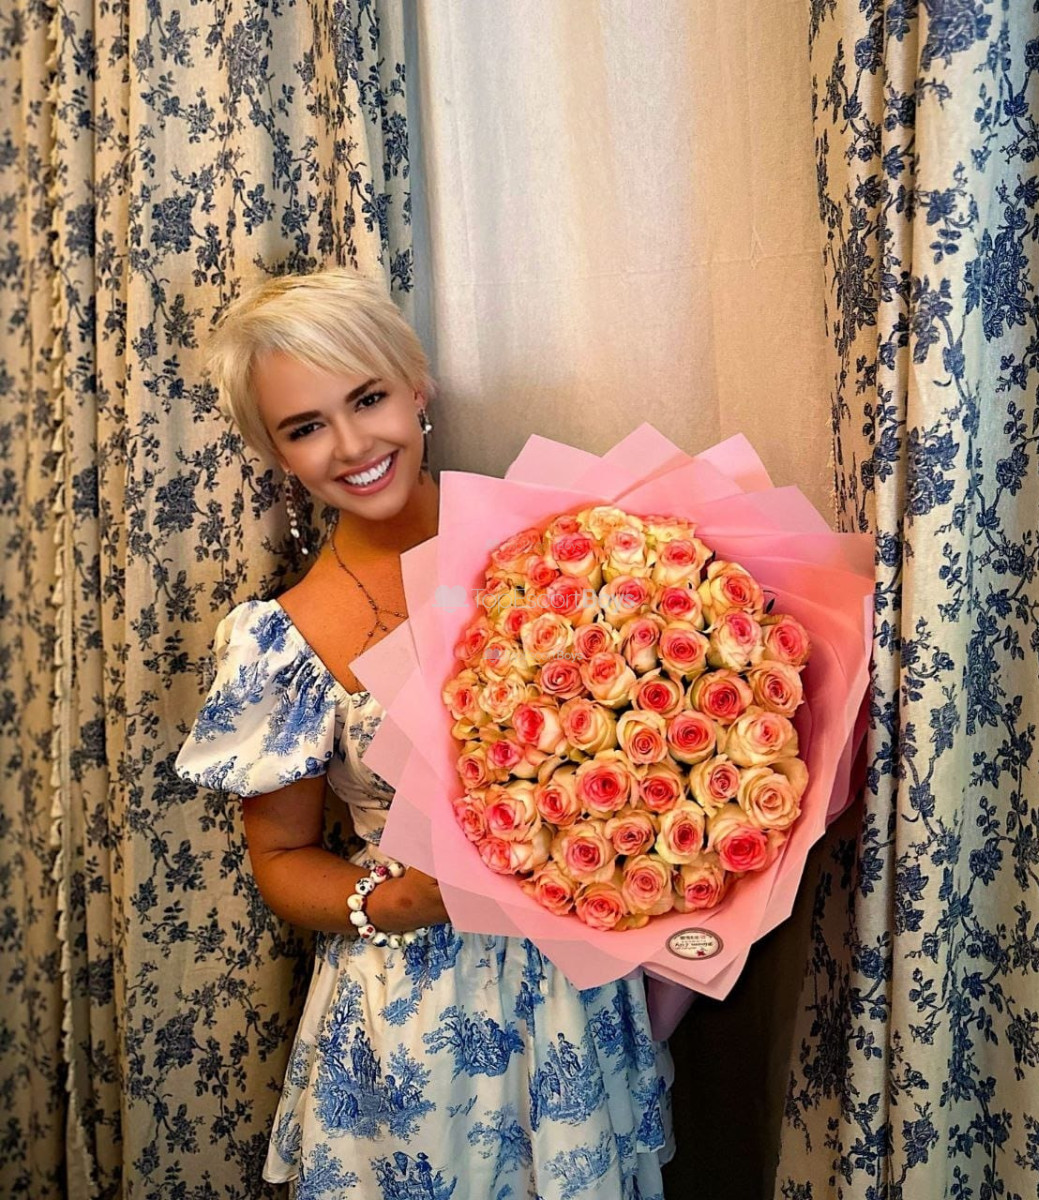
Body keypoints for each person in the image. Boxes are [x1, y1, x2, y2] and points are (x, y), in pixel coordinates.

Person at [174, 268, 674, 1199]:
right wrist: (398, 901)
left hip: (578, 993)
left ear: (417, 386)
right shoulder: (278, 639)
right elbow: (279, 858)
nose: (352, 445)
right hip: (409, 1027)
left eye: (367, 399)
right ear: (277, 453)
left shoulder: (563, 547)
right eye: (306, 426)